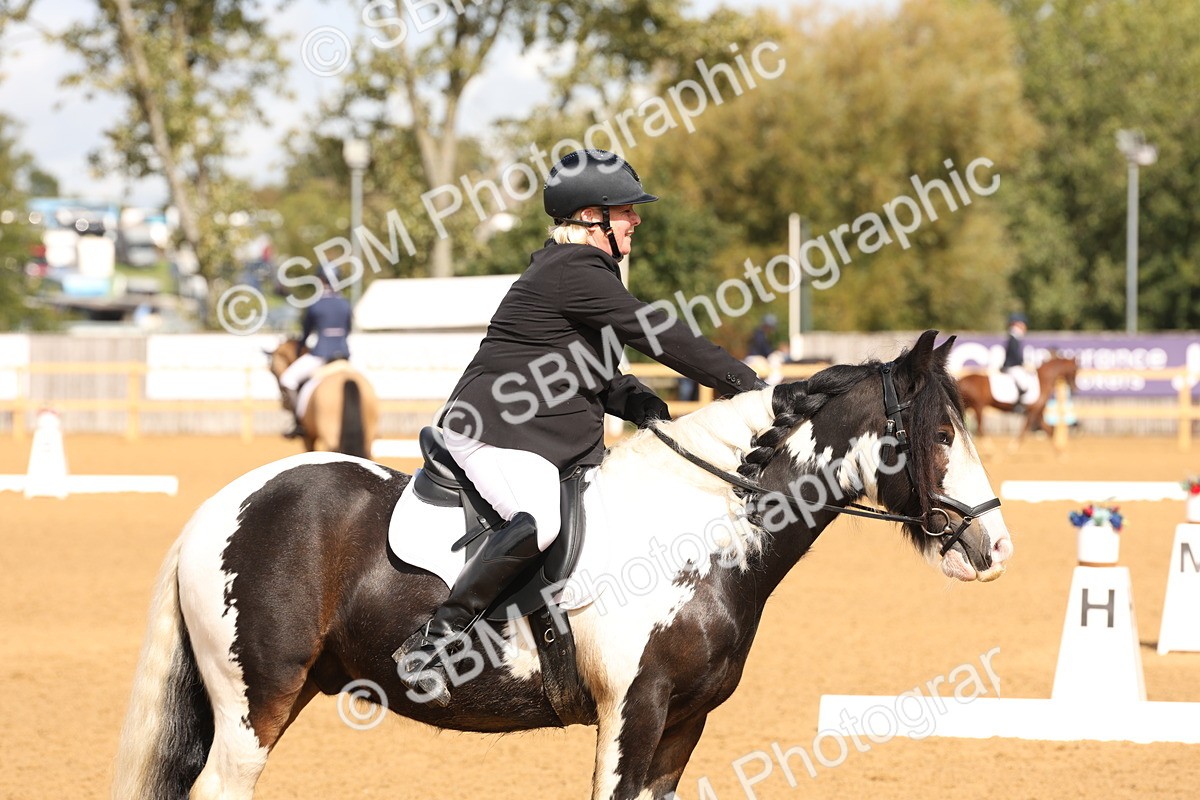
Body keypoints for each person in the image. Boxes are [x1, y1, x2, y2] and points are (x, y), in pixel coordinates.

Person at [393, 148, 765, 706]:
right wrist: (746, 383)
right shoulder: (574, 270)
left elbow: (592, 371)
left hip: (540, 436)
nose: (636, 220)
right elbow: (655, 331)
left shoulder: (576, 273)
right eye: (625, 212)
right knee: (539, 518)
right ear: (592, 219)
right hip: (495, 430)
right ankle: (436, 640)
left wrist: (640, 402)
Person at [278, 270, 352, 438]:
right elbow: (348, 331)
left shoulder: (315, 304)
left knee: (288, 379)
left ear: (320, 280)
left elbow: (305, 334)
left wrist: (300, 348)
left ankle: (298, 422)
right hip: (344, 355)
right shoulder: (345, 304)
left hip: (321, 355)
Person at [1002, 312, 1031, 414]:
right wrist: (1023, 363)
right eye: (1023, 323)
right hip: (1012, 366)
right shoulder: (1013, 337)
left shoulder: (1016, 337)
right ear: (1017, 324)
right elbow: (1015, 354)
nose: (1025, 326)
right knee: (1024, 384)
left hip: (1014, 365)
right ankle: (1018, 405)